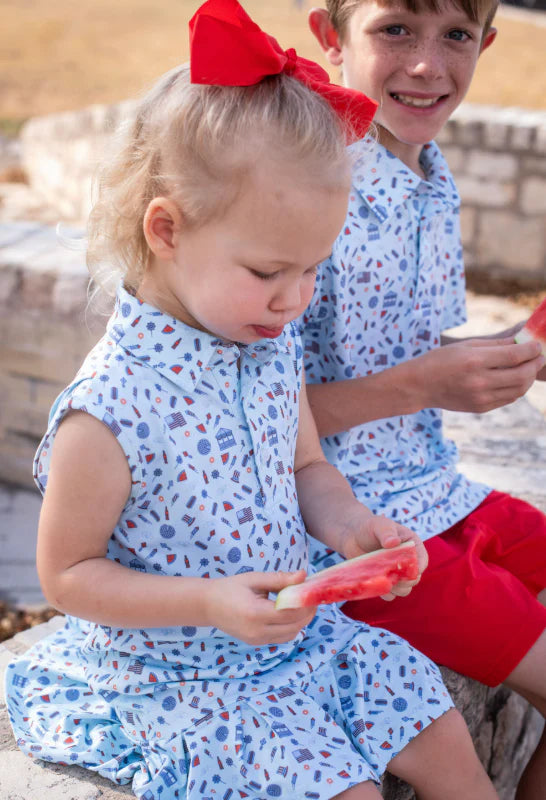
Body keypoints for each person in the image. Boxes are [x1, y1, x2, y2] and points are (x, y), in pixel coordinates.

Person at [4, 2, 503, 799]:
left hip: (294, 642)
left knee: (437, 728)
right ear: (165, 229)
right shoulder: (108, 413)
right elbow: (66, 575)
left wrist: (353, 531)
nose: (295, 300)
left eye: (312, 270)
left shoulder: (266, 349)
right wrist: (206, 601)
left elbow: (308, 466)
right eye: (270, 273)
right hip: (182, 681)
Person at [301, 1, 546, 798]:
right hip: (359, 537)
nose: (425, 65)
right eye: (395, 29)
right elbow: (252, 414)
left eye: (456, 36)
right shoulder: (302, 186)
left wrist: (502, 357)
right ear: (329, 35)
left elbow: (400, 352)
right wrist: (421, 385)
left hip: (439, 491)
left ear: (488, 44)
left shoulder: (430, 175)